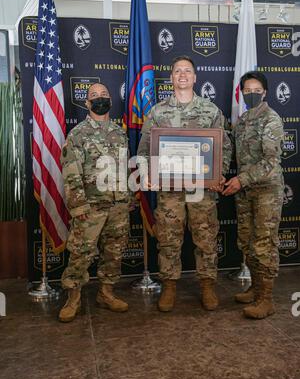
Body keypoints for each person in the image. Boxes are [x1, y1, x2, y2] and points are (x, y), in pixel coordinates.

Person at [137, 55, 232, 312]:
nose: (182, 75)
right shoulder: (157, 112)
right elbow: (144, 150)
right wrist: (147, 174)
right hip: (169, 191)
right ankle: (169, 286)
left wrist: (218, 175)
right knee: (168, 238)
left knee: (206, 238)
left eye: (187, 71)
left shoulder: (211, 111)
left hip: (202, 190)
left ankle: (207, 286)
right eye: (177, 71)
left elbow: (224, 147)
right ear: (171, 78)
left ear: (195, 77)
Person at [59, 83, 130, 322]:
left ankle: (106, 293)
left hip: (118, 206)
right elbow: (71, 173)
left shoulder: (120, 133)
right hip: (90, 207)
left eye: (104, 95)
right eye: (94, 96)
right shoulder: (77, 134)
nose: (100, 99)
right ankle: (74, 298)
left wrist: (127, 199)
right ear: (87, 104)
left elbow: (124, 168)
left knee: (114, 253)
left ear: (110, 100)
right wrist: (78, 207)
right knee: (81, 253)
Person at [223, 71, 284, 319]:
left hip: (266, 191)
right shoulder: (243, 120)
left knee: (264, 244)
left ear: (265, 92)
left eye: (256, 90)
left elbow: (271, 161)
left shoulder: (272, 119)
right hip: (245, 191)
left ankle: (266, 299)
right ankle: (255, 289)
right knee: (246, 241)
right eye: (247, 90)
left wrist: (241, 180)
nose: (251, 94)